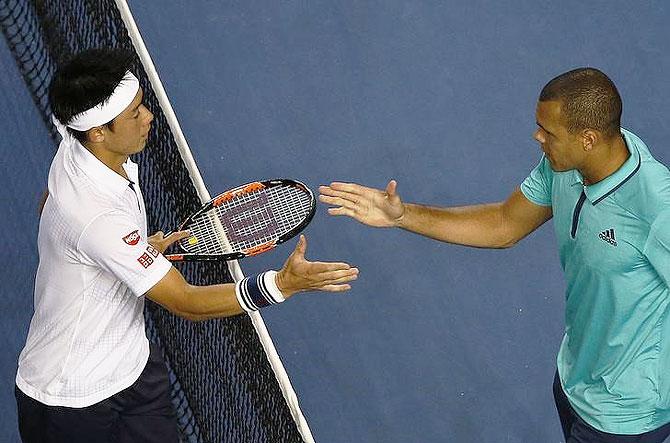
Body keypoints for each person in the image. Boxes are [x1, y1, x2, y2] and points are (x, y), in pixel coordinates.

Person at [15, 48, 359, 443]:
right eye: (135, 115)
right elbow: (187, 302)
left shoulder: (79, 150)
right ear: (98, 133)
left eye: (142, 105)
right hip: (71, 400)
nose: (148, 117)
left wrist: (126, 255)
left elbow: (51, 204)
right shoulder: (98, 220)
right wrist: (282, 285)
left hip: (133, 370)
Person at [319, 68, 670, 443]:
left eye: (548, 132)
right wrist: (403, 216)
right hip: (575, 374)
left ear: (588, 138)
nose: (537, 137)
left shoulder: (657, 207)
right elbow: (505, 224)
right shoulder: (568, 165)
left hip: (626, 414)